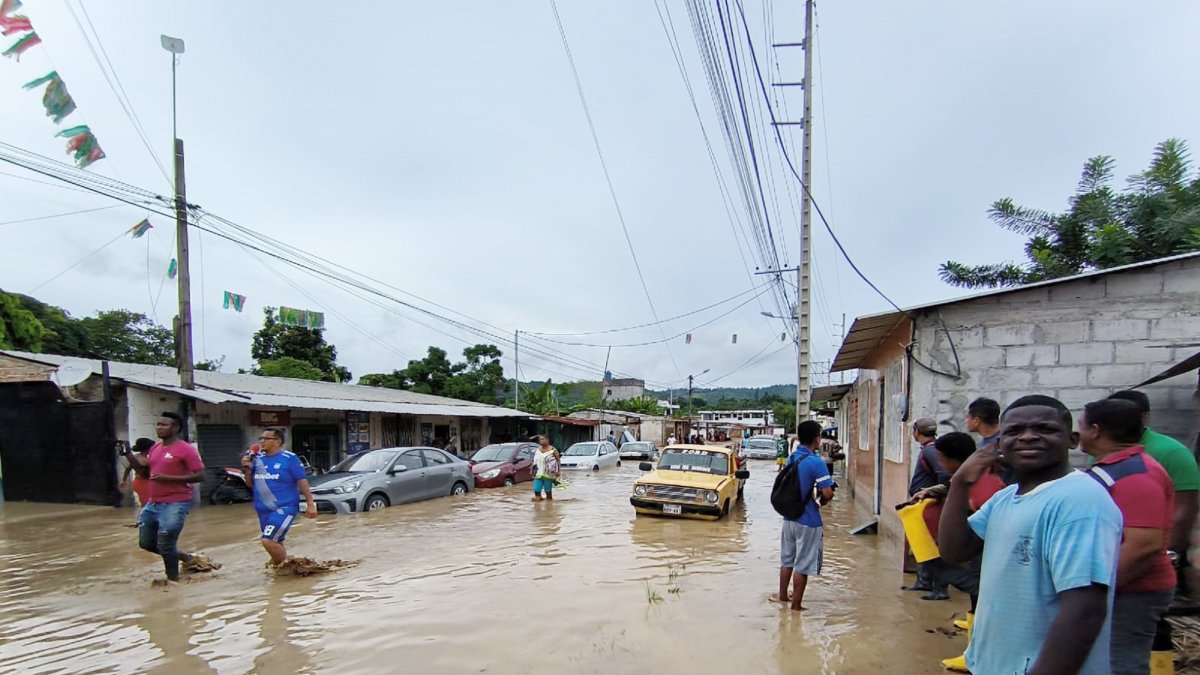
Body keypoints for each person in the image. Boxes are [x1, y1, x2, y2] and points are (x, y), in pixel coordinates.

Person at [939, 395, 1123, 675]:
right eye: (1014, 431)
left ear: (1072, 440)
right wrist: (960, 483)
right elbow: (954, 550)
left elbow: (1085, 609)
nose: (1027, 437)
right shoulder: (1006, 498)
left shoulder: (1079, 501)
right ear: (1000, 443)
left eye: (1044, 429)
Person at [1077, 398, 1175, 675]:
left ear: (1095, 430)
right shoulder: (1117, 468)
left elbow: (1143, 546)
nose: (1078, 433)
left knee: (1119, 664)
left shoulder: (1136, 475)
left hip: (1133, 591)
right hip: (1121, 587)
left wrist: (1098, 590)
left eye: (1081, 426)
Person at [911, 432, 1005, 672]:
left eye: (943, 460)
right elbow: (951, 485)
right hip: (975, 550)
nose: (941, 464)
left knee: (977, 590)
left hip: (982, 550)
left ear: (956, 460)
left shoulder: (984, 484)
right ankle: (972, 624)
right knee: (975, 596)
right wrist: (932, 491)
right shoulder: (965, 477)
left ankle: (973, 655)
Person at [1109, 389, 1200, 592]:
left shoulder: (1171, 452)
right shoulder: (1104, 449)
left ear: (1145, 417)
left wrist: (1169, 553)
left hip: (1151, 555)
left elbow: (1185, 509)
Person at [138, 413, 206, 583]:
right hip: (153, 503)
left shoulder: (185, 449)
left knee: (166, 541)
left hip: (176, 503)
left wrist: (169, 478)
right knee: (146, 543)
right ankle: (187, 558)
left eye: (164, 425)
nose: (159, 427)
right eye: (158, 424)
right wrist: (129, 456)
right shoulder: (155, 448)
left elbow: (201, 475)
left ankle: (173, 580)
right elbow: (146, 473)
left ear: (175, 428)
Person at [777, 420, 836, 612]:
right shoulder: (816, 462)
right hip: (808, 520)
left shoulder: (792, 458)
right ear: (817, 439)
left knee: (787, 561)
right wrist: (822, 502)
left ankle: (783, 596)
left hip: (789, 518)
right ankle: (796, 607)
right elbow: (827, 493)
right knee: (802, 565)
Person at [241, 427, 317, 566]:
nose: (262, 441)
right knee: (277, 540)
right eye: (261, 438)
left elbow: (302, 481)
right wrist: (247, 468)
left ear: (278, 441)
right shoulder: (257, 460)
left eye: (266, 438)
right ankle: (287, 568)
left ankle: (284, 569)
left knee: (268, 540)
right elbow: (250, 484)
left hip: (284, 507)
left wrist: (310, 504)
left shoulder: (290, 459)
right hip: (263, 509)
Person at [905, 417, 949, 596]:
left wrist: (931, 492)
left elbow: (944, 477)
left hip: (929, 505)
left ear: (916, 431)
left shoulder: (930, 451)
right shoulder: (929, 449)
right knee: (921, 543)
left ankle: (939, 588)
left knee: (930, 545)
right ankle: (923, 581)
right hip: (922, 504)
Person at [119, 437, 155, 527]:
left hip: (139, 482)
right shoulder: (145, 460)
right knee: (147, 504)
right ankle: (142, 522)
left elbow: (128, 469)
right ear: (148, 448)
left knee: (146, 503)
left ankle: (142, 521)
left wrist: (123, 480)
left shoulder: (136, 458)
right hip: (144, 483)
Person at [532, 436, 560, 502]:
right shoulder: (537, 450)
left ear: (547, 440)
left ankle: (549, 505)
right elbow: (535, 462)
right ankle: (538, 506)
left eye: (542, 439)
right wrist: (532, 471)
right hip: (538, 474)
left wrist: (558, 471)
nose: (541, 441)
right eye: (540, 440)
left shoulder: (553, 450)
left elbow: (558, 461)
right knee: (536, 490)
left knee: (548, 492)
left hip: (548, 475)